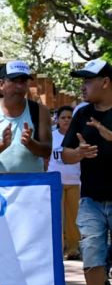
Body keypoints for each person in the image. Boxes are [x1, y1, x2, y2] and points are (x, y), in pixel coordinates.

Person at [60, 58, 112, 285]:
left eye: (89, 81)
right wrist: (77, 154)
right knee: (92, 254)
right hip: (90, 199)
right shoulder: (81, 114)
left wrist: (107, 134)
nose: (83, 86)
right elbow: (65, 154)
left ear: (106, 82)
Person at [0, 60, 51, 173]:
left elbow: (47, 151)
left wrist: (30, 143)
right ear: (1, 84)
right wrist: (2, 145)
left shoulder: (40, 111)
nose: (20, 86)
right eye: (14, 81)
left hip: (32, 187)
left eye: (23, 81)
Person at [49, 105, 81, 260]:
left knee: (74, 218)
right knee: (57, 217)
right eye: (63, 117)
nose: (66, 120)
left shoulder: (79, 136)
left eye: (69, 117)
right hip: (55, 182)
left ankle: (73, 248)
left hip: (75, 181)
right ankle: (58, 247)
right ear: (57, 119)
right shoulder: (51, 136)